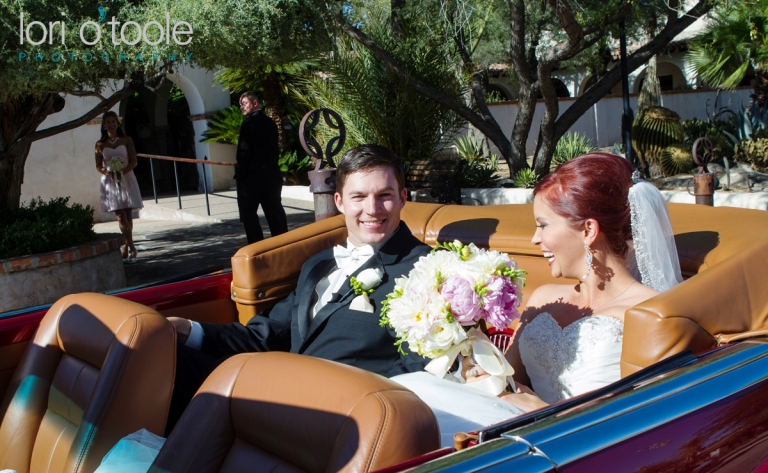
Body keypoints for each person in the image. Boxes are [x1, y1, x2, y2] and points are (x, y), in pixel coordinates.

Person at [390, 152, 684, 447]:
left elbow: (644, 428)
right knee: (404, 402)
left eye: (543, 225)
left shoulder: (650, 314)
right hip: (509, 430)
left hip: (578, 447)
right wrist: (474, 355)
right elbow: (508, 378)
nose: (534, 238)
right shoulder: (544, 297)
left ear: (588, 230)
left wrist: (545, 412)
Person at [165, 145, 431, 433]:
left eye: (384, 195)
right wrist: (187, 330)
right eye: (359, 197)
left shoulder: (425, 272)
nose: (372, 209)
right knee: (165, 358)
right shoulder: (319, 263)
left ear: (402, 198)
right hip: (280, 393)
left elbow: (415, 372)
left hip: (341, 418)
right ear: (340, 201)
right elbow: (265, 335)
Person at [235, 91, 288, 244]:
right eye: (240, 104)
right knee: (275, 214)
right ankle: (284, 246)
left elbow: (243, 153)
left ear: (255, 103)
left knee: (249, 216)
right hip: (271, 176)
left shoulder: (249, 124)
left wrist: (240, 174)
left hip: (252, 179)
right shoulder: (270, 123)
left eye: (244, 103)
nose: (242, 107)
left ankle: (257, 249)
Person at [95, 111, 143, 263]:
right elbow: (98, 165)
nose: (111, 124)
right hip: (111, 181)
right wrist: (108, 172)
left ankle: (126, 246)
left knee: (128, 214)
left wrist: (123, 171)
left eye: (113, 121)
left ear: (118, 123)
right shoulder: (100, 144)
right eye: (108, 122)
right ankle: (132, 247)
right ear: (104, 125)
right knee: (120, 215)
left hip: (126, 177)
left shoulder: (127, 140)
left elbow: (134, 161)